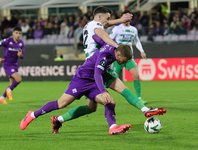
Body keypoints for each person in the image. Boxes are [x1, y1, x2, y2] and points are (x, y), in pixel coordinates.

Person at [48, 6, 166, 134]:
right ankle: (141, 112)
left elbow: (104, 27)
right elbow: (101, 34)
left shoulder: (90, 25)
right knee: (121, 88)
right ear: (100, 17)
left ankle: (58, 119)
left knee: (91, 108)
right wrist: (116, 46)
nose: (109, 21)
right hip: (98, 63)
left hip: (93, 62)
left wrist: (120, 20)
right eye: (107, 18)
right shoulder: (97, 27)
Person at [20, 44, 133, 135]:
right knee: (61, 103)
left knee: (107, 102)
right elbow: (97, 73)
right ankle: (32, 115)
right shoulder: (106, 56)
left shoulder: (114, 49)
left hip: (92, 82)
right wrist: (103, 91)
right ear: (118, 54)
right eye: (124, 60)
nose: (125, 62)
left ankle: (113, 127)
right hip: (82, 80)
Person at [109, 10, 147, 103]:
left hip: (129, 57)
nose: (126, 18)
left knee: (136, 75)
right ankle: (96, 93)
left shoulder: (133, 29)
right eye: (124, 16)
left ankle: (139, 98)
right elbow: (109, 39)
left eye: (128, 16)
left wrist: (142, 51)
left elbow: (137, 41)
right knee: (113, 79)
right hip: (118, 58)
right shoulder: (117, 29)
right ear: (122, 17)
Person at [0, 26, 25, 104]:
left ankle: (2, 98)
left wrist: (20, 55)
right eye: (16, 33)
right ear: (13, 33)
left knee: (12, 84)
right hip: (7, 64)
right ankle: (8, 91)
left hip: (15, 64)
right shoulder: (7, 41)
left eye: (19, 33)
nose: (18, 35)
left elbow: (23, 56)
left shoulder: (21, 43)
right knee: (18, 79)